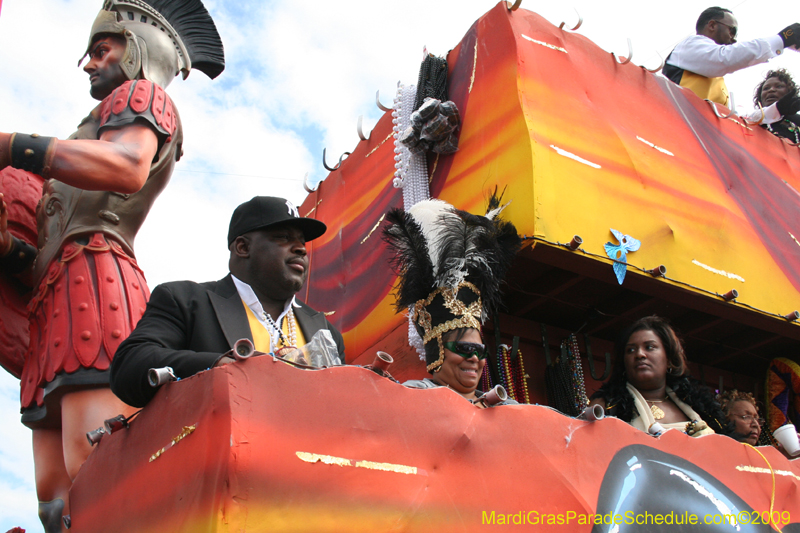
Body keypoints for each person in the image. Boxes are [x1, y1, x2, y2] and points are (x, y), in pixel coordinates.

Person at [0, 1, 224, 530]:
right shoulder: (87, 130)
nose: (89, 63)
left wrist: (11, 146)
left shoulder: (143, 95)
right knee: (54, 501)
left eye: (102, 50)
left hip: (96, 284)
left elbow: (125, 167)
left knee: (99, 468)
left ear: (141, 51)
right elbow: (42, 257)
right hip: (55, 298)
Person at [110, 196, 346, 408]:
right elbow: (130, 365)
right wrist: (218, 365)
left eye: (302, 242)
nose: (300, 249)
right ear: (243, 247)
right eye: (283, 237)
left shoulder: (325, 330)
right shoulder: (185, 300)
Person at [382, 195, 521, 407]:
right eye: (465, 348)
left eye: (480, 351)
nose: (475, 358)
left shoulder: (506, 410)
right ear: (437, 351)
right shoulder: (410, 399)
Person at [589, 316, 729, 437]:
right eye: (631, 350)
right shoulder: (605, 406)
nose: (639, 354)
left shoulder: (703, 409)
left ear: (669, 359)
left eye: (649, 347)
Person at [663, 7, 800, 106]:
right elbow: (725, 58)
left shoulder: (714, 77)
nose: (733, 39)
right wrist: (782, 39)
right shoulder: (690, 45)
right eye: (732, 30)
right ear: (712, 25)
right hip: (676, 127)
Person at [751, 69, 800, 142]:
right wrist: (777, 108)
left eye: (779, 86)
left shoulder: (797, 120)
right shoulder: (751, 120)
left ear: (790, 92)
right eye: (766, 88)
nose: (771, 90)